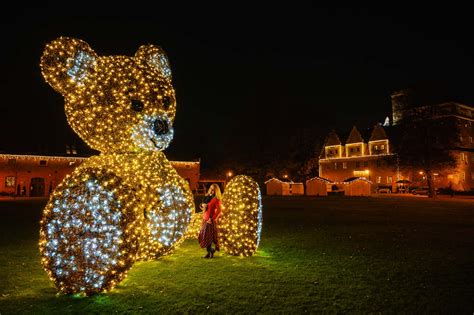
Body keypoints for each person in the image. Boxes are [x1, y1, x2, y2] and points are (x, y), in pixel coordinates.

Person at [198, 184, 222, 258]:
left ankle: (210, 251)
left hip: (210, 220)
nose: (211, 191)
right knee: (203, 236)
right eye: (211, 189)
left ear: (216, 191)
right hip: (205, 219)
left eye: (213, 190)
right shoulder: (208, 197)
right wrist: (202, 205)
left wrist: (212, 219)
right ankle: (210, 252)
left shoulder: (216, 199)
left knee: (207, 237)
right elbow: (203, 205)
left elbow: (219, 210)